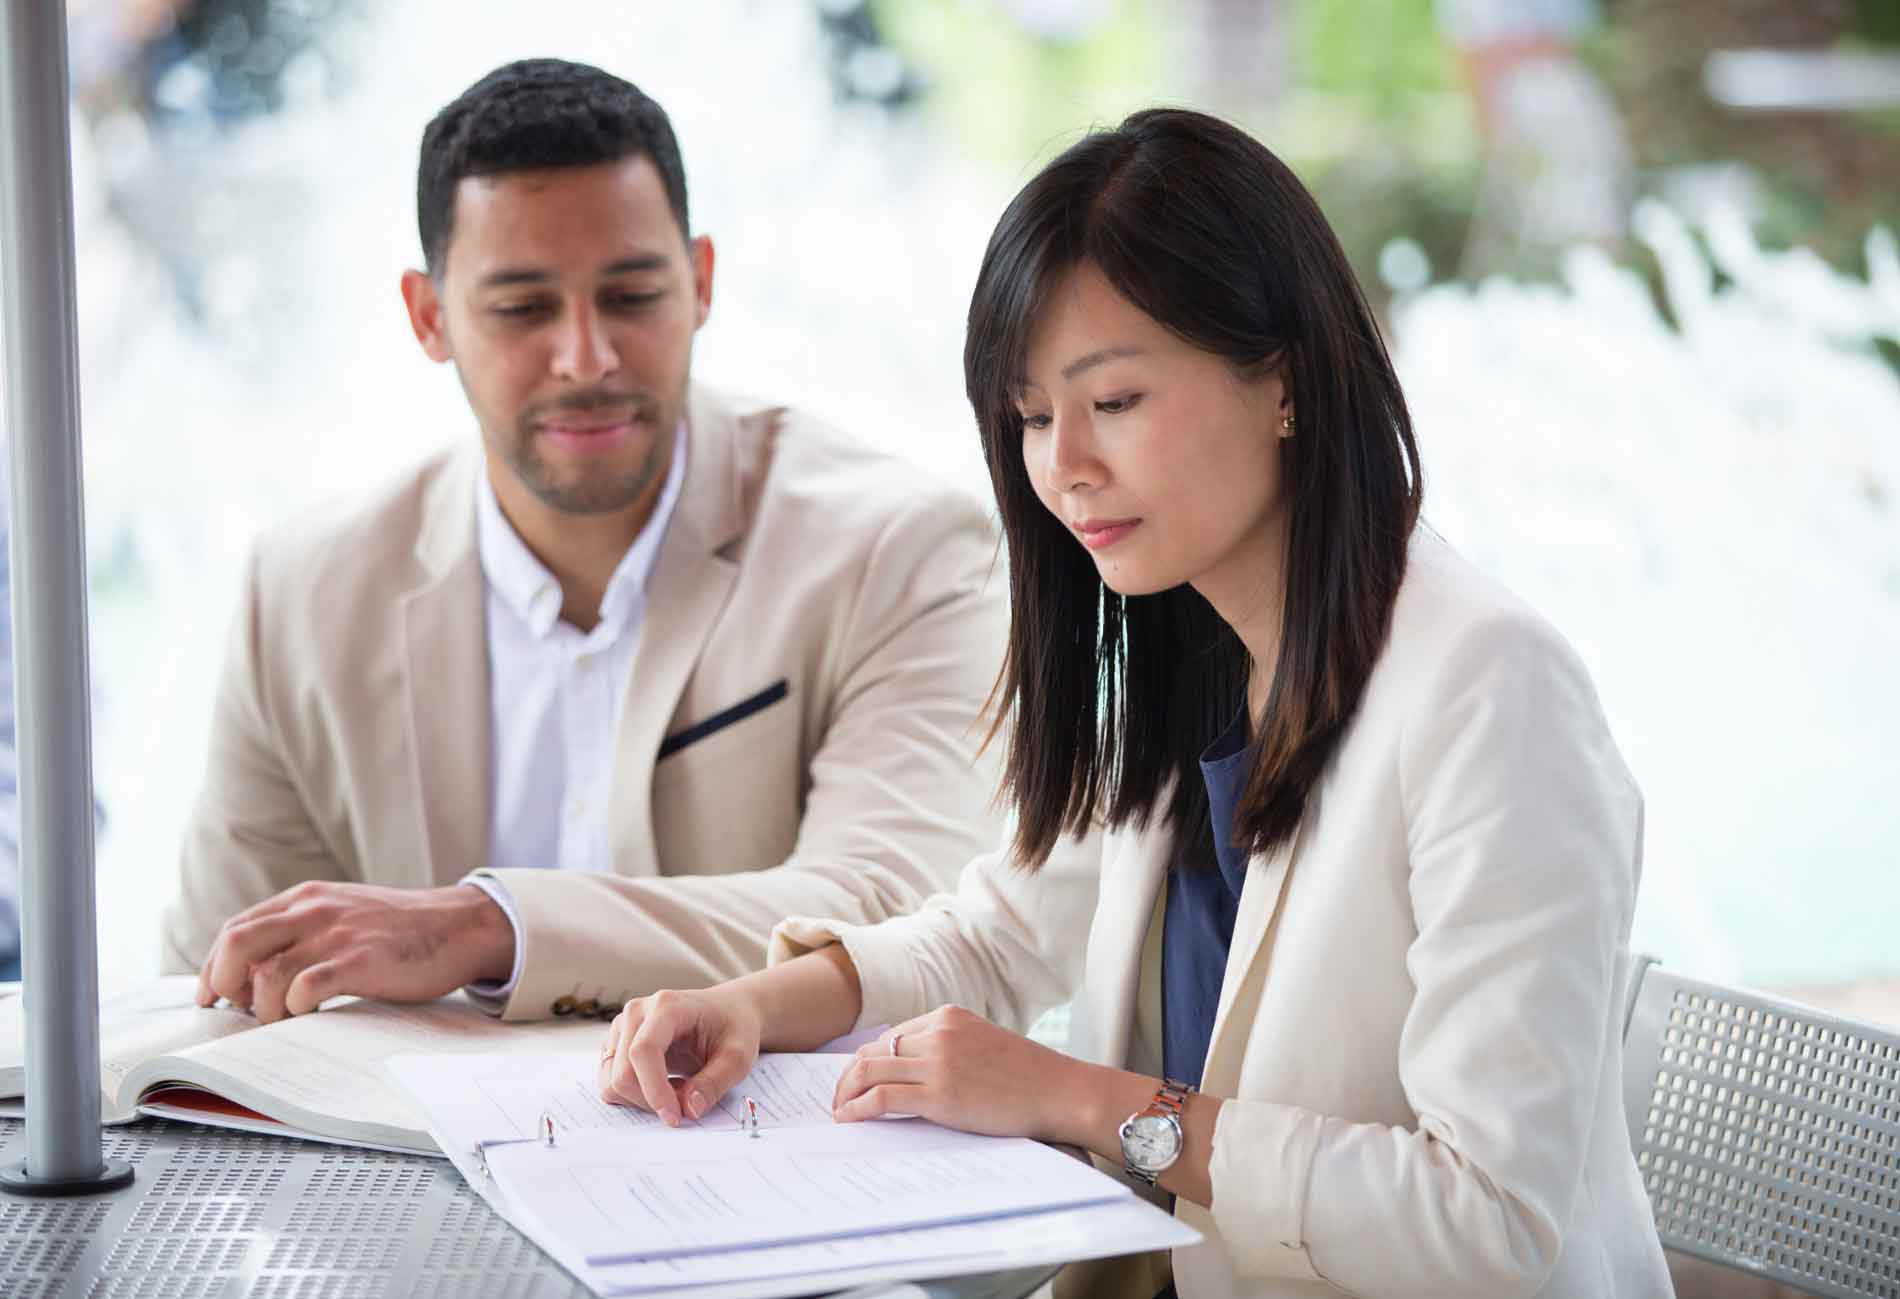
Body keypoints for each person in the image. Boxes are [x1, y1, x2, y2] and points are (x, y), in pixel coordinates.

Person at [594, 109, 1674, 1297]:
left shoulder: (1488, 689)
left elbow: (1487, 1223)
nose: (1061, 468)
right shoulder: (1194, 647)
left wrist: (1077, 1099)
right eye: (1032, 417)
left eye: (1111, 403)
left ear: (1286, 383)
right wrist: (749, 1006)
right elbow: (998, 934)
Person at [165, 59, 1007, 1025]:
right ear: (428, 316)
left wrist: (483, 928)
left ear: (700, 283)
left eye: (633, 295)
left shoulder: (901, 549)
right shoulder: (304, 593)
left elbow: (898, 915)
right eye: (523, 308)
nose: (588, 358)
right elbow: (208, 988)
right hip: (410, 1165)